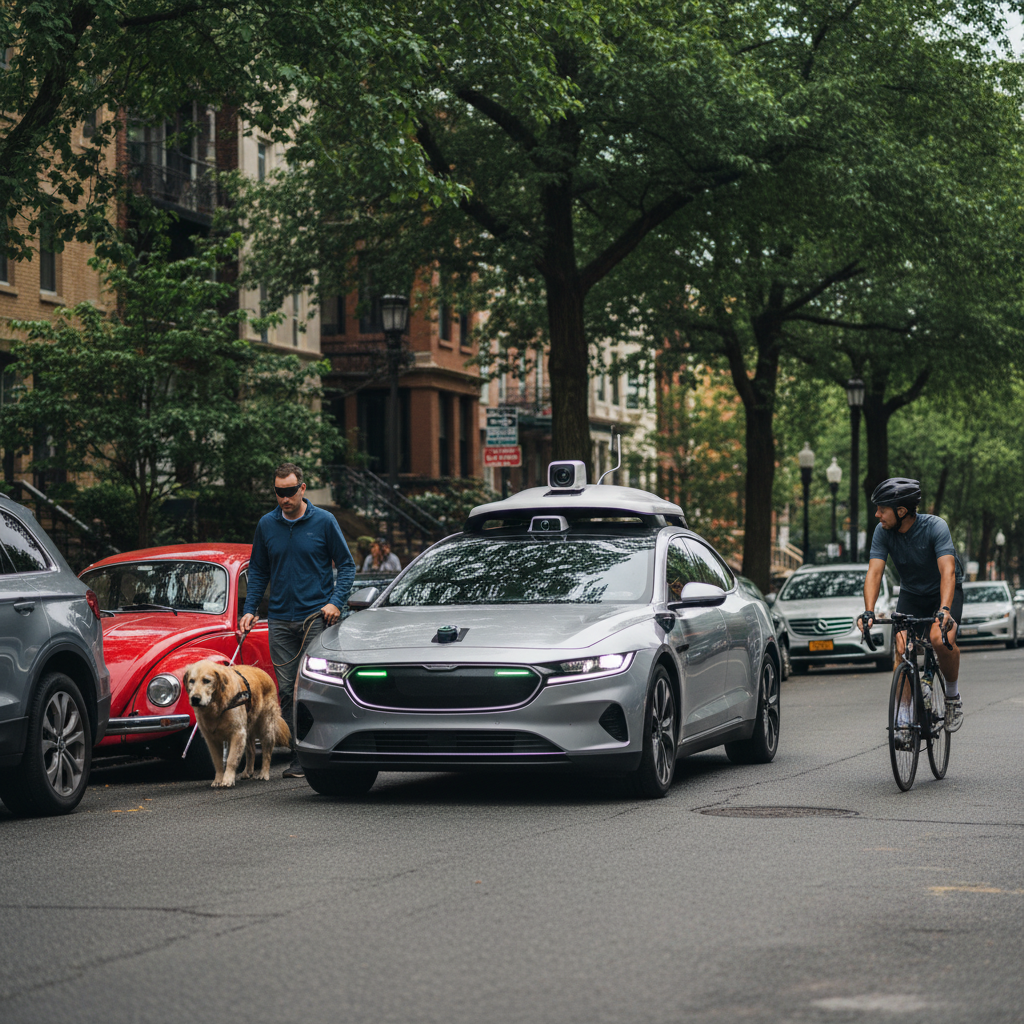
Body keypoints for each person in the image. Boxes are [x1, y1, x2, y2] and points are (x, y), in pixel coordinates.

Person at [238, 462, 356, 777]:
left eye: (290, 492)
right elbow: (259, 570)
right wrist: (250, 609)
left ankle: (313, 751)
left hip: (315, 617)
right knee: (287, 690)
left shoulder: (325, 521)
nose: (285, 498)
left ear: (302, 488)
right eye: (279, 492)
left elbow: (346, 566)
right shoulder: (266, 525)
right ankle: (297, 752)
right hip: (278, 619)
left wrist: (335, 602)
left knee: (312, 687)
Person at [858, 477, 964, 732]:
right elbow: (874, 572)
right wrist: (869, 611)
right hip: (912, 594)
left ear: (901, 511)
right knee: (902, 647)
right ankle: (904, 718)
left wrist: (945, 610)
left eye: (882, 509)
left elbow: (947, 571)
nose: (877, 514)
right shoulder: (882, 532)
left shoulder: (935, 527)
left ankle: (952, 697)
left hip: (944, 591)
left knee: (940, 639)